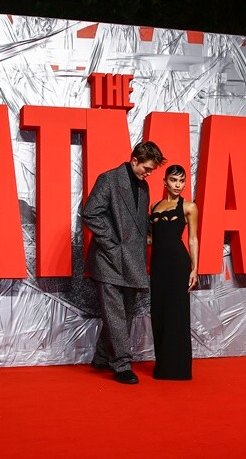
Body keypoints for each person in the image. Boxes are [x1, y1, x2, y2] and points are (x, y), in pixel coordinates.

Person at [82, 141, 165, 384]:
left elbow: (139, 220)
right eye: (147, 168)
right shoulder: (108, 179)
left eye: (152, 170)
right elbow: (90, 213)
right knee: (116, 314)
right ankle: (122, 364)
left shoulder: (143, 186)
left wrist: (156, 227)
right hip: (108, 259)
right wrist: (111, 243)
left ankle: (101, 357)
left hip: (132, 259)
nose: (149, 174)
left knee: (125, 313)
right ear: (135, 160)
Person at [149, 164, 198, 380]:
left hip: (178, 265)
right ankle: (163, 366)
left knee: (177, 313)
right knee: (159, 312)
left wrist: (195, 268)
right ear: (165, 182)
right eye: (174, 180)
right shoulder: (154, 206)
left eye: (182, 181)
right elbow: (153, 239)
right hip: (158, 265)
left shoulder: (189, 207)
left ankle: (179, 369)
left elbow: (193, 239)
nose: (178, 185)